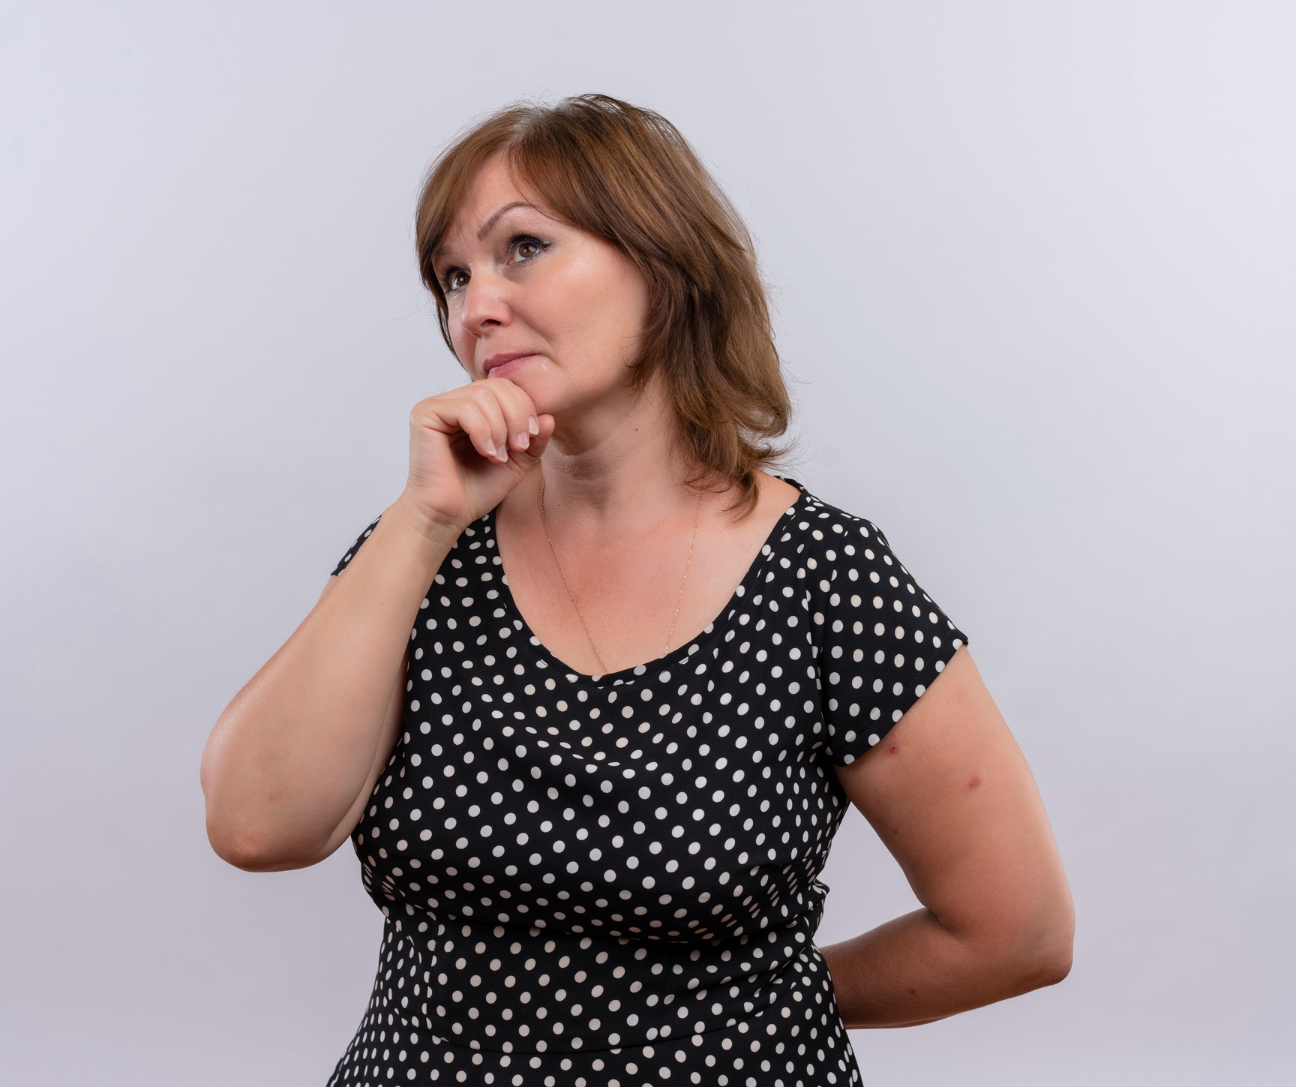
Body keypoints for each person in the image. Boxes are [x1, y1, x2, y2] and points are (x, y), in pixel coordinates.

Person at [200, 93, 1074, 1086]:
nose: (476, 305)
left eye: (521, 247)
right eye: (452, 276)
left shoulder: (826, 581)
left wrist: (758, 1002)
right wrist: (422, 521)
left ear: (664, 268)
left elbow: (1018, 929)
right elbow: (255, 824)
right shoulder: (417, 553)